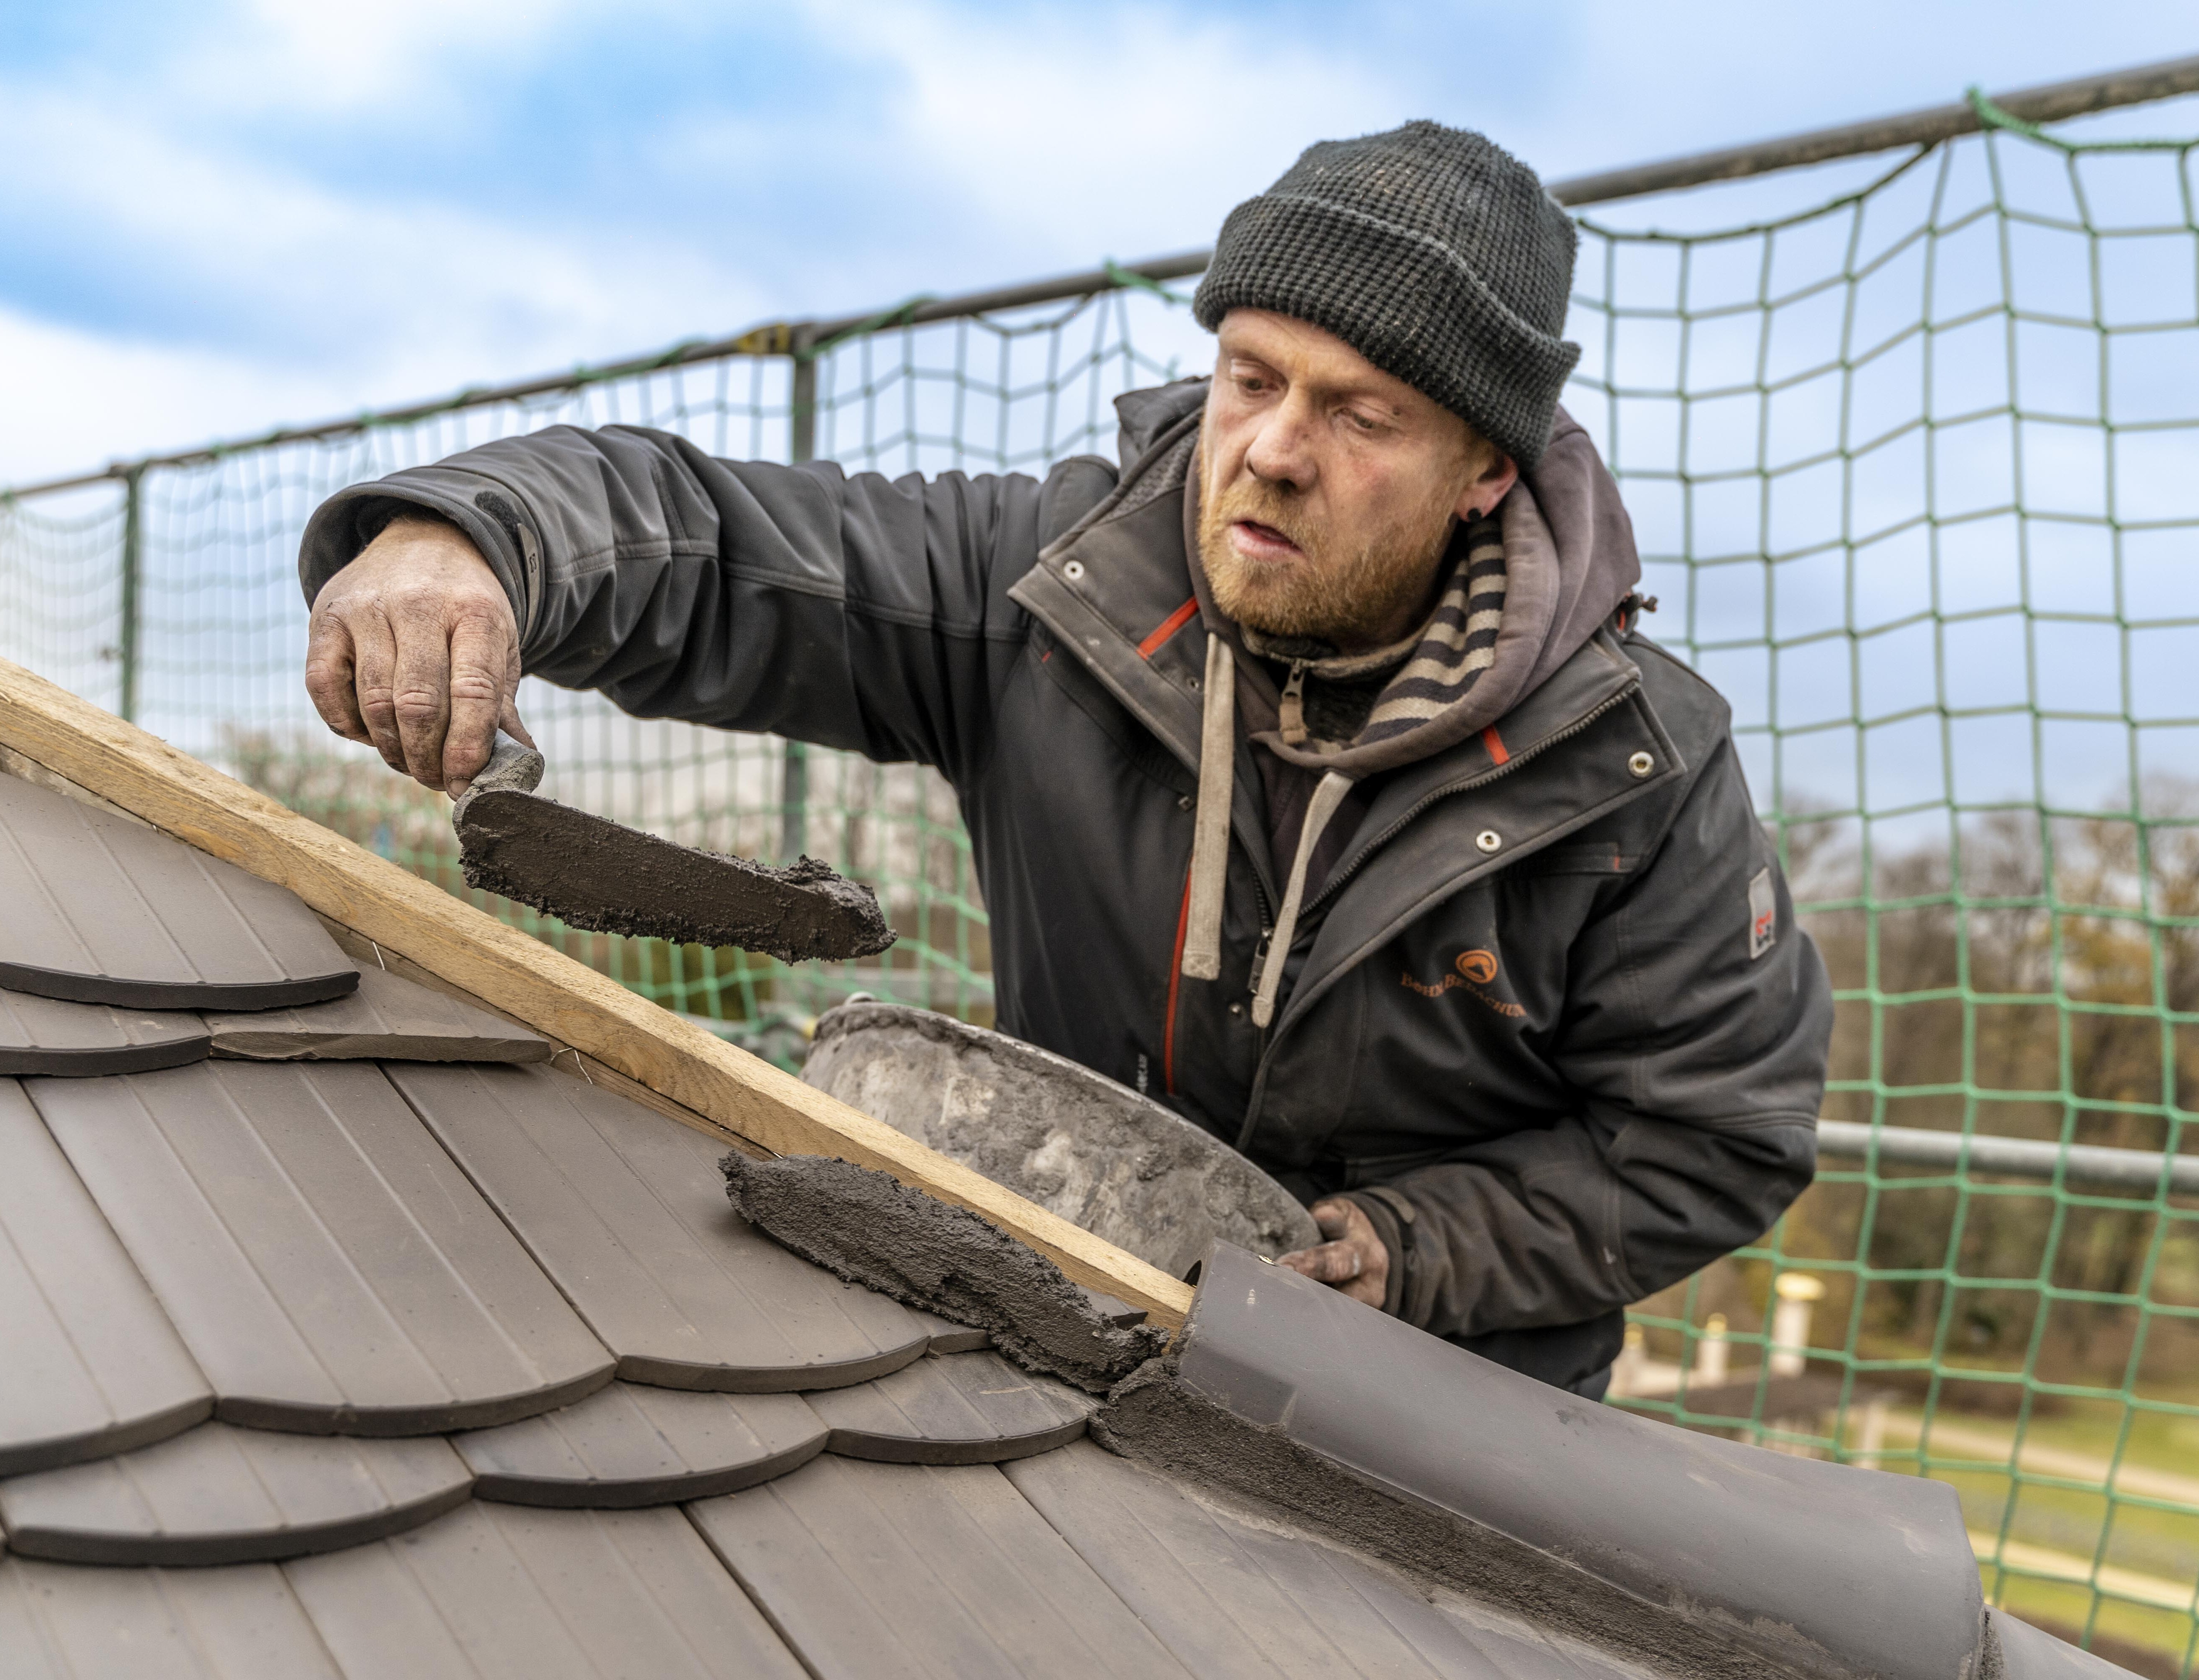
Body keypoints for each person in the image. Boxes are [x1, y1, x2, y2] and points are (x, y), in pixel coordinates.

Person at [298, 121, 1831, 1397]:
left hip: (1429, 1414)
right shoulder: (1054, 590)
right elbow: (713, 542)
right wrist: (471, 538)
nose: (1275, 449)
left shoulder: (1638, 767)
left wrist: (1412, 1251)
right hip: (1050, 1338)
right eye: (1252, 376)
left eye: (1360, 413)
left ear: (1487, 469)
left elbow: (1712, 1137)